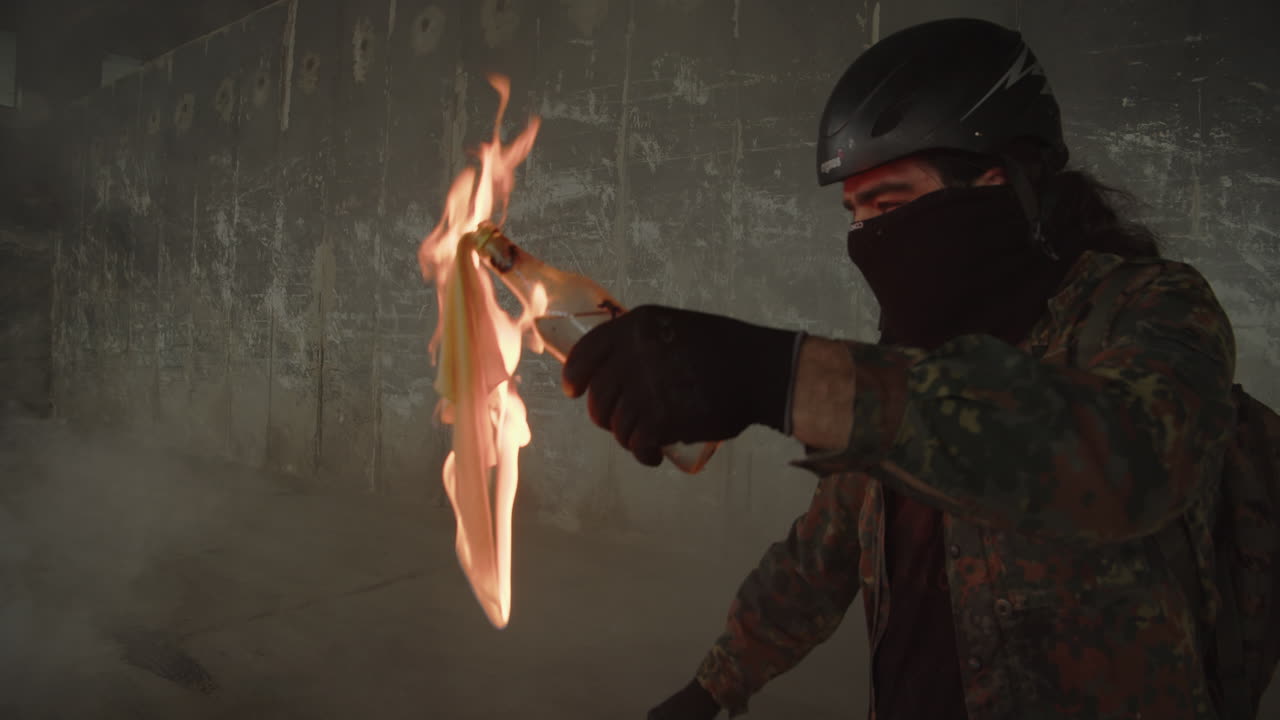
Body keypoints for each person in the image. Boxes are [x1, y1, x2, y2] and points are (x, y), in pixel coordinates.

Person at [559, 17, 1241, 720]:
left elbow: (1130, 459)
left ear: (997, 182)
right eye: (856, 213)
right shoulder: (912, 363)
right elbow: (820, 555)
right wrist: (714, 687)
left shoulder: (1147, 307)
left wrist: (781, 376)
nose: (869, 238)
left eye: (891, 204)